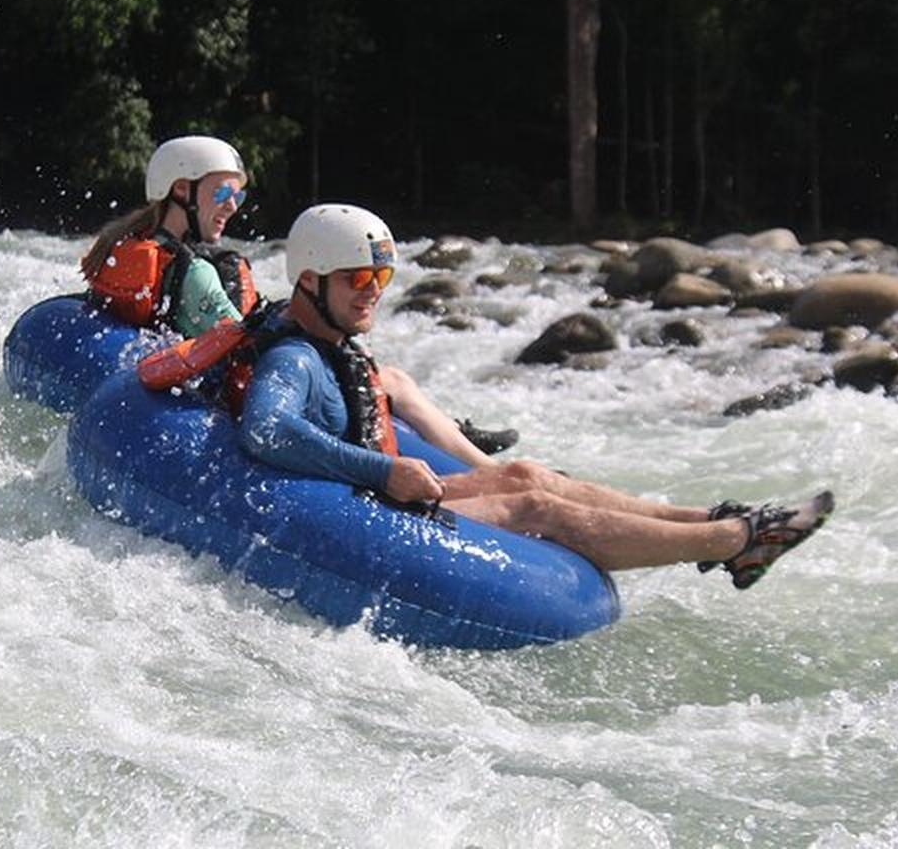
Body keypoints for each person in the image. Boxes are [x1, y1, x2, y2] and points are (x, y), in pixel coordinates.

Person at [235, 203, 835, 590]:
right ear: (310, 282)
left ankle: (717, 517)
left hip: (372, 495)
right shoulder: (294, 358)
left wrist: (386, 472)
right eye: (358, 280)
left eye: (382, 279)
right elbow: (266, 429)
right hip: (359, 513)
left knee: (525, 474)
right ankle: (737, 541)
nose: (373, 294)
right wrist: (384, 470)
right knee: (535, 511)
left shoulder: (333, 343)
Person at [80, 135, 518, 459]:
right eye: (223, 192)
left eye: (239, 194)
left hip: (186, 353)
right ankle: (470, 456)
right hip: (241, 378)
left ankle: (446, 432)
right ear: (180, 190)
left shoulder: (126, 244)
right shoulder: (194, 272)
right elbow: (235, 334)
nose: (233, 205)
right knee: (393, 379)